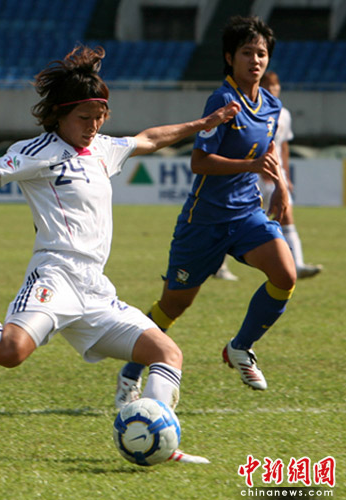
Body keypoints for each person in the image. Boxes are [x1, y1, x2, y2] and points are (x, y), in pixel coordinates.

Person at [0, 45, 239, 465]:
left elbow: (150, 138)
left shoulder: (103, 149)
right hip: (55, 276)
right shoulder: (37, 152)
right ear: (59, 115)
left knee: (167, 354)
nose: (93, 126)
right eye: (84, 118)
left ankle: (159, 439)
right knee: (9, 354)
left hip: (96, 289)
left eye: (100, 116)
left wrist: (205, 123)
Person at [116, 16, 297, 405]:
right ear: (229, 57)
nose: (255, 60)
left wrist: (280, 187)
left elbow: (268, 152)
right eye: (247, 52)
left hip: (246, 214)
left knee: (285, 275)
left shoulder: (272, 105)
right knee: (173, 305)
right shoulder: (222, 101)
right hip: (205, 221)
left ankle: (240, 347)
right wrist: (251, 166)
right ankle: (130, 374)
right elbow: (199, 162)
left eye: (261, 53)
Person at [258, 71, 322, 279]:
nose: (272, 90)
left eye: (275, 86)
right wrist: (258, 167)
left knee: (287, 216)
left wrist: (285, 174)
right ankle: (218, 265)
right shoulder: (254, 110)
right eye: (268, 86)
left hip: (277, 174)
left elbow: (283, 146)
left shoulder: (284, 114)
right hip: (254, 174)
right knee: (239, 220)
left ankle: (297, 264)